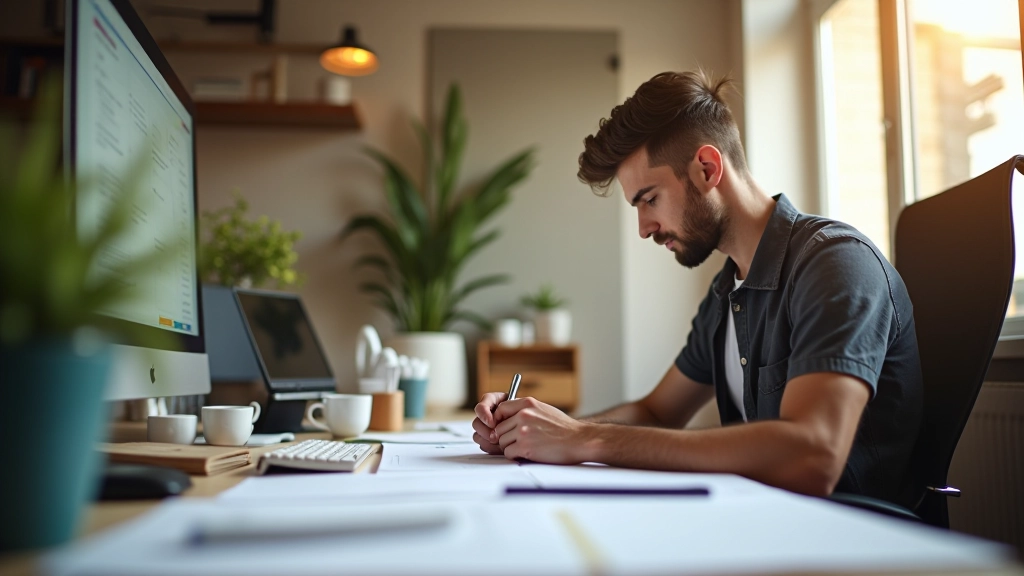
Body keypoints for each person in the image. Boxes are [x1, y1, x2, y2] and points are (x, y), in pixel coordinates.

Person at [472, 69, 923, 506]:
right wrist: (536, 429)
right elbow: (655, 413)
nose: (644, 228)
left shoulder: (836, 264)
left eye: (649, 199)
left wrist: (586, 438)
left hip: (850, 543)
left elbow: (813, 456)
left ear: (707, 168)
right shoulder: (727, 292)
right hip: (764, 525)